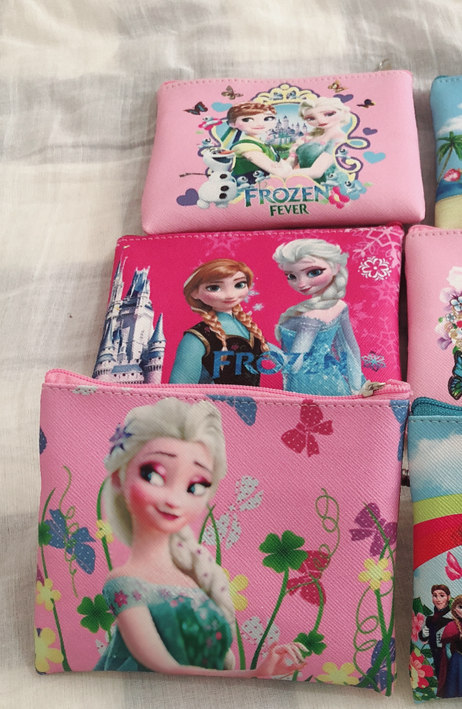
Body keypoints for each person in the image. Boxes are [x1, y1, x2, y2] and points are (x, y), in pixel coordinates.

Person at [94, 398, 305, 676]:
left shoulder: (193, 576)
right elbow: (163, 665)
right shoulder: (125, 583)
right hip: (147, 696)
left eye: (195, 486)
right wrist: (252, 674)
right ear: (119, 478)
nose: (174, 499)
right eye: (153, 476)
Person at [272, 238, 365, 395]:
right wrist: (356, 385)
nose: (301, 284)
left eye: (314, 272)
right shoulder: (339, 305)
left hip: (307, 384)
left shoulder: (311, 317)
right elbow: (350, 348)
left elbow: (295, 364)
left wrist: (266, 347)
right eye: (291, 276)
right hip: (334, 379)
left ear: (336, 268)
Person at [169, 258, 280, 386]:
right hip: (209, 399)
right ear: (195, 293)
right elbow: (180, 387)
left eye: (239, 285)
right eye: (214, 287)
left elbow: (284, 360)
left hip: (253, 398)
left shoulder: (249, 328)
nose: (230, 295)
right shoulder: (197, 337)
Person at [276, 97, 351, 184]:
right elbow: (291, 163)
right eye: (311, 118)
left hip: (328, 186)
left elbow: (316, 172)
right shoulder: (310, 137)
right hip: (307, 185)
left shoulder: (339, 139)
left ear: (343, 112)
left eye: (329, 114)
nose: (321, 120)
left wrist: (281, 174)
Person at [226, 102, 282, 188]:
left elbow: (287, 168)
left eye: (267, 118)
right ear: (232, 124)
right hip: (246, 188)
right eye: (247, 120)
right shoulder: (245, 145)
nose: (260, 123)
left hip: (265, 187)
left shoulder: (263, 144)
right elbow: (279, 173)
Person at [419, 584, 452, 683]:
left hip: (448, 656)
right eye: (435, 596)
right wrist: (424, 634)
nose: (438, 599)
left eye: (442, 595)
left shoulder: (452, 617)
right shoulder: (430, 619)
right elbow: (423, 638)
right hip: (435, 655)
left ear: (448, 597)